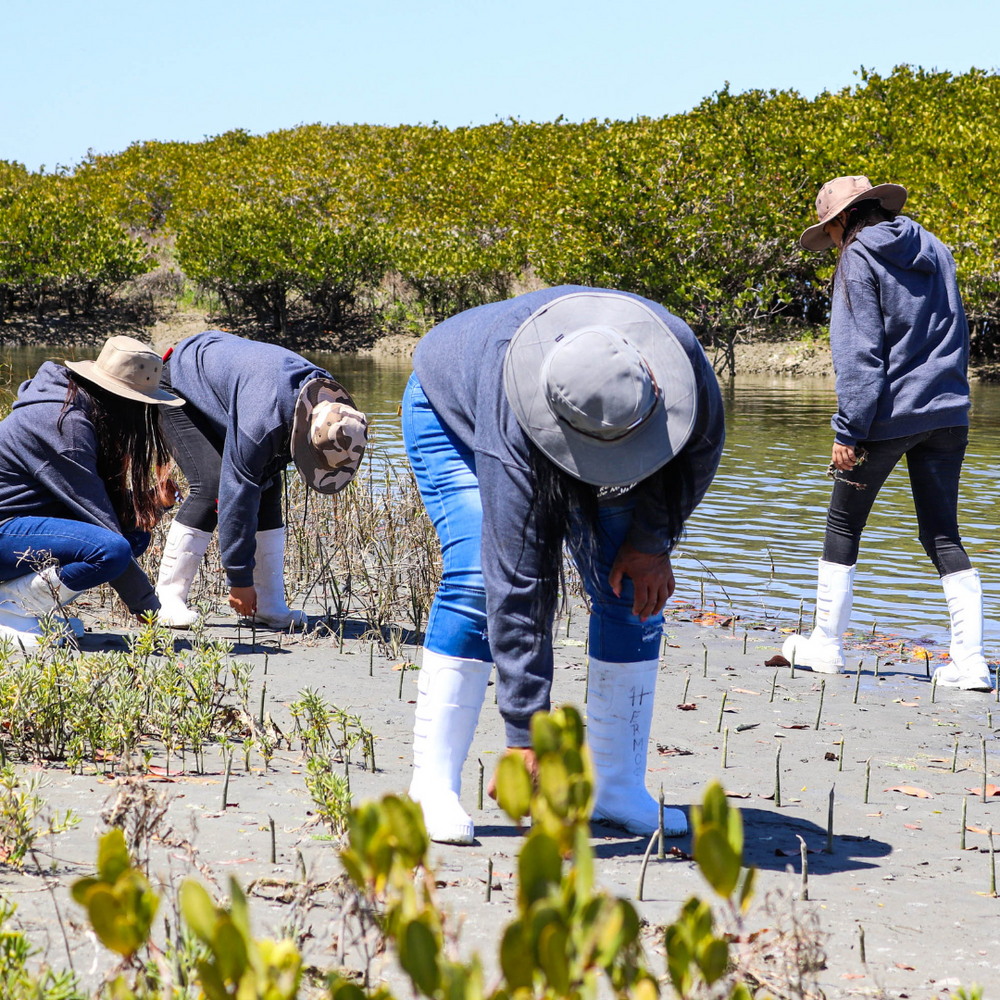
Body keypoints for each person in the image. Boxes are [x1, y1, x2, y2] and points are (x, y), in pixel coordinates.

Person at [403, 285, 725, 844]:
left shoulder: (679, 359)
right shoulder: (510, 419)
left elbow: (698, 451)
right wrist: (526, 731)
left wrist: (653, 542)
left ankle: (616, 787)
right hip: (451, 412)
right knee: (478, 578)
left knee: (631, 588)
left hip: (603, 416)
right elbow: (518, 574)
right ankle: (431, 785)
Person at [783, 175, 991, 691]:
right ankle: (971, 663)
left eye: (830, 231)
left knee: (842, 525)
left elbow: (860, 354)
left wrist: (848, 431)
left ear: (841, 220)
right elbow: (956, 330)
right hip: (949, 411)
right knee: (942, 535)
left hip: (888, 417)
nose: (832, 242)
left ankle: (826, 647)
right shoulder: (936, 248)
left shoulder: (856, 256)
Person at [155, 331, 368, 629]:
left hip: (238, 384)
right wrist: (239, 579)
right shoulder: (262, 423)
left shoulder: (333, 408)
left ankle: (268, 604)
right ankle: (167, 598)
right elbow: (236, 492)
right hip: (181, 382)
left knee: (267, 486)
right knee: (213, 484)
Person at [0, 336, 183, 646]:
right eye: (145, 406)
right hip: (5, 531)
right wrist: (148, 607)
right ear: (123, 400)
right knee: (113, 549)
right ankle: (12, 605)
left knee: (134, 535)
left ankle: (23, 603)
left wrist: (154, 502)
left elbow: (95, 505)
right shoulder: (64, 424)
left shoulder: (82, 412)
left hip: (16, 529)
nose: (146, 416)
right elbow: (101, 524)